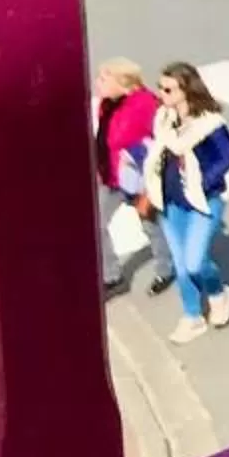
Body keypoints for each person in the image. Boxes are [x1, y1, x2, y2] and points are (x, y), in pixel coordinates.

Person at [145, 63, 229, 343]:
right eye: (160, 87)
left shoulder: (209, 123)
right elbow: (159, 152)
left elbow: (228, 156)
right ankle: (192, 316)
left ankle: (219, 293)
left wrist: (203, 182)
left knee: (195, 262)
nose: (161, 93)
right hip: (169, 200)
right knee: (181, 264)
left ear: (186, 90)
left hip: (203, 202)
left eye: (168, 89)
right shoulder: (164, 118)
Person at [91, 59, 164, 298]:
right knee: (96, 224)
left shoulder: (146, 105)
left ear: (123, 83)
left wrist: (150, 184)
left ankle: (166, 269)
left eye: (104, 79)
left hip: (139, 180)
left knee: (151, 227)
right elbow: (104, 138)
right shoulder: (107, 103)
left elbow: (161, 142)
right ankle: (112, 276)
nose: (97, 83)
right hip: (110, 176)